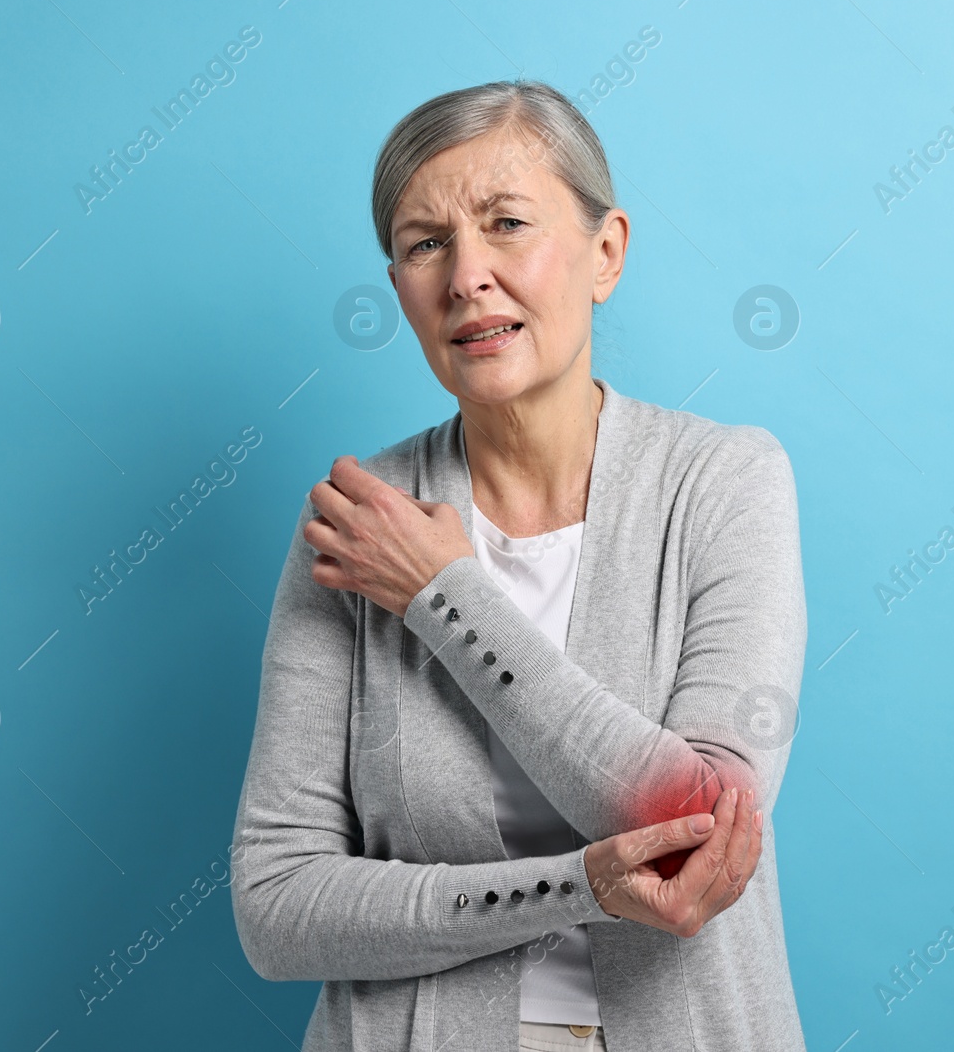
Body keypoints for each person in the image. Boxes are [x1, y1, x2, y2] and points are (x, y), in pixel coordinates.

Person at [230, 78, 808, 1052]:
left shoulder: (722, 481)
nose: (466, 275)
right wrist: (575, 888)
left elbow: (703, 823)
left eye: (505, 223)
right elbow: (277, 905)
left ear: (605, 251)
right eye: (425, 243)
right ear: (400, 288)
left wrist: (446, 597)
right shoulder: (358, 518)